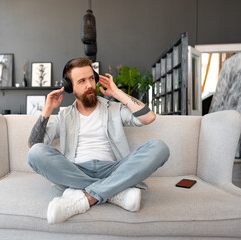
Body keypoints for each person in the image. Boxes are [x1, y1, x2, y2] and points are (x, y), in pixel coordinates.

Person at [27, 57, 170, 224]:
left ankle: (86, 198)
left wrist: (116, 93)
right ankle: (114, 193)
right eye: (81, 81)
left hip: (114, 169)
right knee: (36, 153)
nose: (89, 85)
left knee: (159, 147)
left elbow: (148, 117)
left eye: (91, 78)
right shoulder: (64, 115)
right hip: (76, 171)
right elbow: (34, 145)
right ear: (70, 87)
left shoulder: (114, 109)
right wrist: (47, 110)